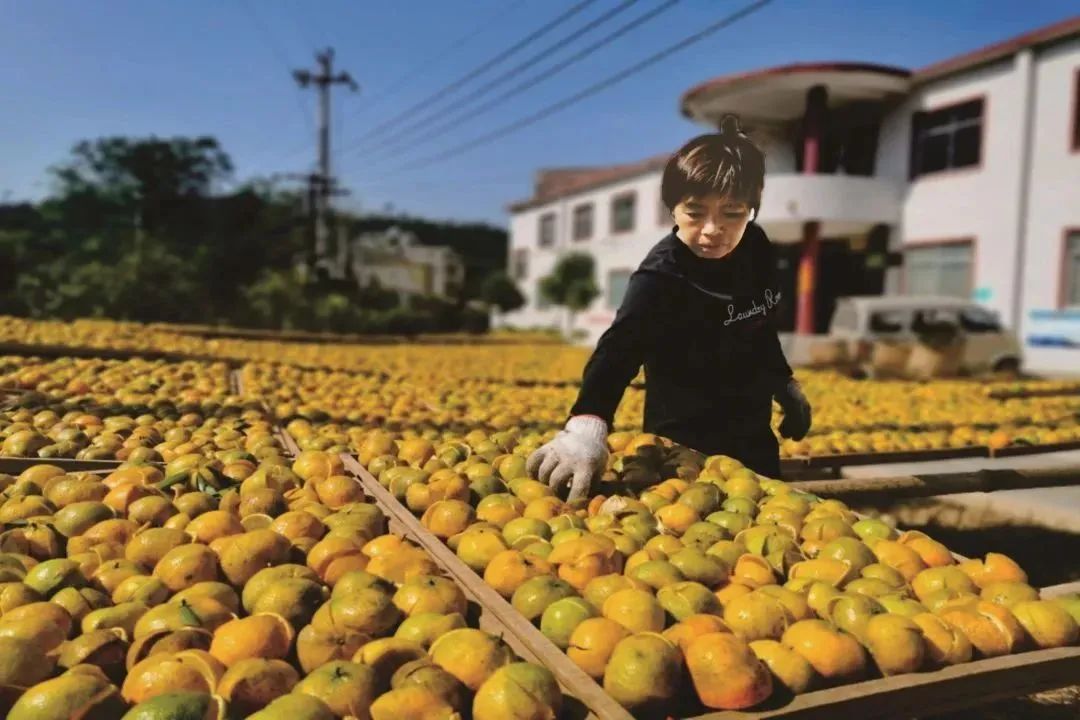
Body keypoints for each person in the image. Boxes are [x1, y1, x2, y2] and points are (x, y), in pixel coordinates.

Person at [526, 115, 811, 500]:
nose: (713, 229)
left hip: (752, 432)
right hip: (682, 445)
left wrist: (784, 384)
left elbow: (758, 324)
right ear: (672, 210)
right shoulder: (660, 277)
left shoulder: (756, 249)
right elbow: (617, 352)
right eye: (695, 212)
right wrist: (587, 426)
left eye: (732, 212)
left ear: (751, 210)